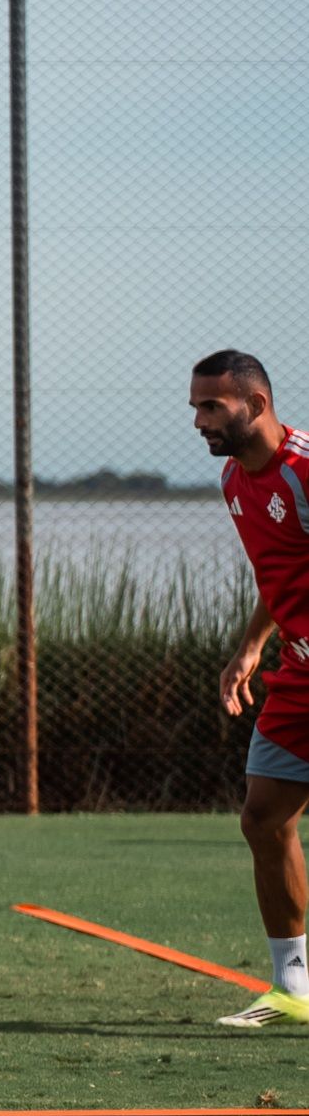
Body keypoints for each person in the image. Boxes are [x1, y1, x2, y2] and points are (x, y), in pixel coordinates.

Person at [196, 350, 309, 1027]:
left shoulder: (305, 470)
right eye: (196, 408)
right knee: (264, 818)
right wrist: (251, 645)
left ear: (257, 405)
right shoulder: (235, 481)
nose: (200, 421)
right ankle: (293, 988)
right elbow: (281, 571)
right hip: (298, 673)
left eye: (212, 406)